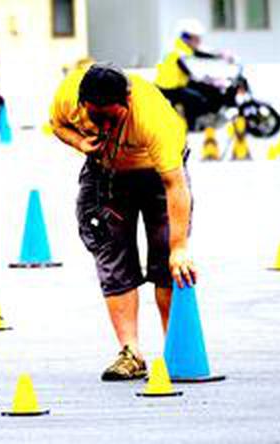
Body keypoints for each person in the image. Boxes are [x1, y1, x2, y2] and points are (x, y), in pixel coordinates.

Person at [50, 63, 197, 381]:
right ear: (81, 102)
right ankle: (130, 353)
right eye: (95, 117)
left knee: (168, 260)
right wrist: (79, 142)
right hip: (106, 172)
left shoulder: (152, 118)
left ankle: (176, 351)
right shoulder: (67, 96)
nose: (103, 125)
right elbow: (56, 125)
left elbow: (175, 184)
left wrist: (179, 247)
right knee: (111, 252)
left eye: (111, 118)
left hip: (158, 175)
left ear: (127, 101)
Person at [155, 18, 233, 129]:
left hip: (177, 84)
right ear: (186, 37)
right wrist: (211, 79)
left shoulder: (182, 48)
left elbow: (198, 53)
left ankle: (206, 119)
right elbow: (190, 71)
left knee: (208, 90)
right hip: (169, 89)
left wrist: (220, 55)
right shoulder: (178, 52)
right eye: (196, 38)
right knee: (198, 99)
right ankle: (194, 125)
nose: (199, 42)